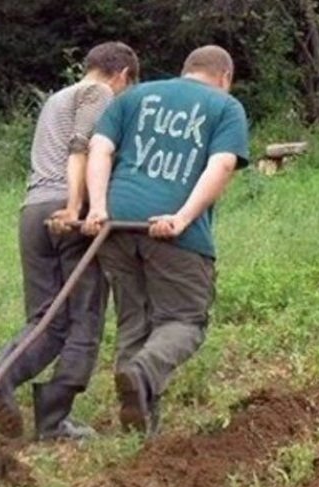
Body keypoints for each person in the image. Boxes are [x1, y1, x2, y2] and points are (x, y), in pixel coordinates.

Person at [84, 45, 250, 438]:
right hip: (173, 232)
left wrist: (99, 208)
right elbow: (223, 163)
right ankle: (141, 375)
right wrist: (182, 218)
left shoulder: (134, 97)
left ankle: (139, 425)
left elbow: (100, 148)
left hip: (116, 224)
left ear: (186, 69)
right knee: (186, 320)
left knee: (134, 320)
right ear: (225, 77)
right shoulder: (226, 107)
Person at [0, 42, 139, 442]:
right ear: (122, 75)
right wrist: (76, 207)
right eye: (129, 86)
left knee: (46, 318)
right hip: (68, 212)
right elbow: (81, 148)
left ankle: (1, 376)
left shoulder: (56, 99)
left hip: (33, 210)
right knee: (85, 318)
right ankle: (53, 420)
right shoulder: (99, 93)